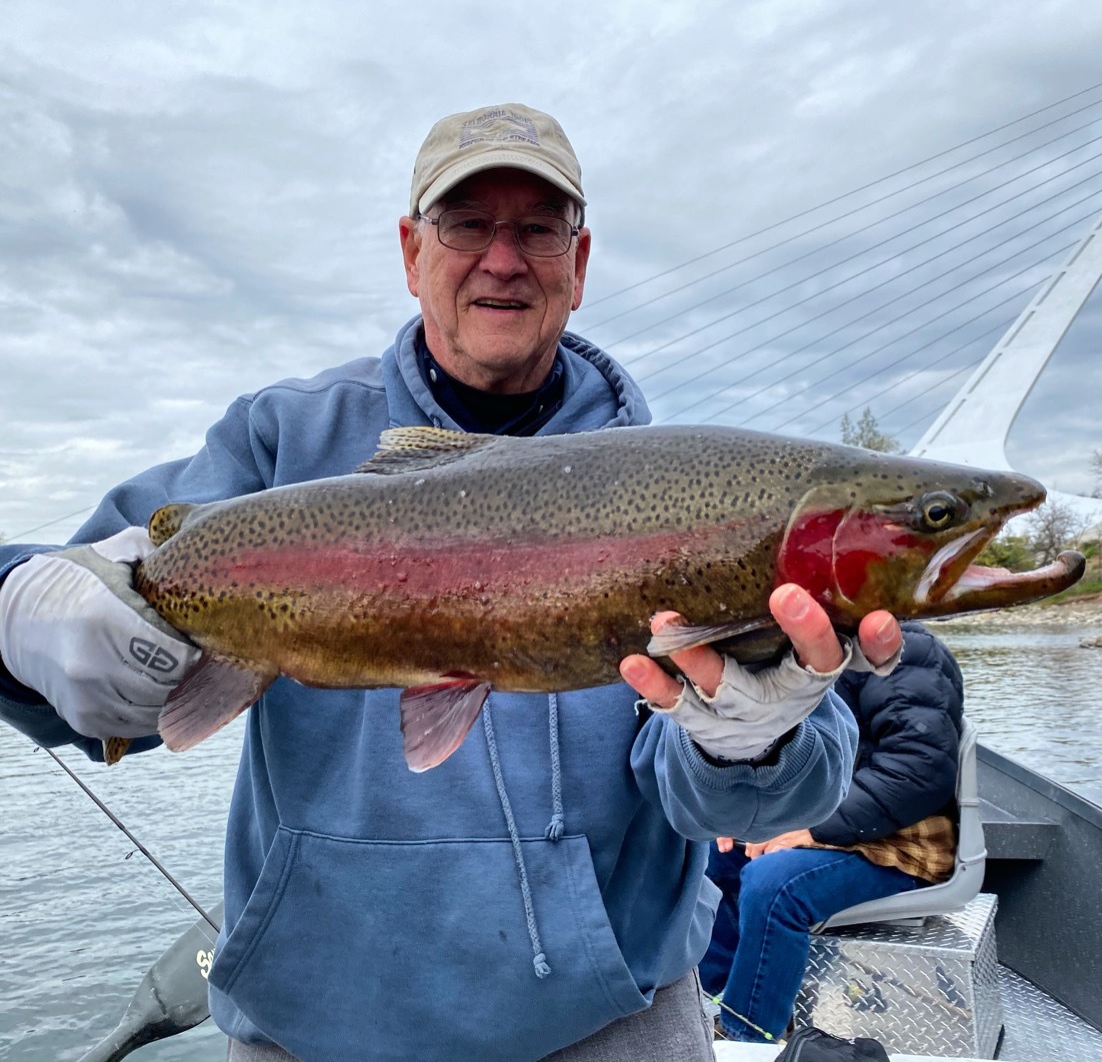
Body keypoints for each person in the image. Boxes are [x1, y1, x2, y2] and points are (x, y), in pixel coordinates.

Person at [0, 103, 902, 1062]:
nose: (503, 259)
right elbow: (83, 630)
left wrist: (751, 747)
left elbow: (735, 813)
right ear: (410, 249)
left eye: (537, 229)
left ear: (580, 262)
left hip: (615, 1019)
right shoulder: (281, 445)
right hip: (317, 1028)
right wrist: (28, 619)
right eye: (468, 224)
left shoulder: (680, 491)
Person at [698, 621, 964, 1044]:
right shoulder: (804, 654)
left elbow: (921, 772)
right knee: (714, 858)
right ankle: (702, 998)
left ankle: (746, 1036)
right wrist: (743, 812)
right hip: (836, 824)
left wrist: (814, 827)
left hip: (902, 844)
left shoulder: (909, 652)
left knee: (773, 885)